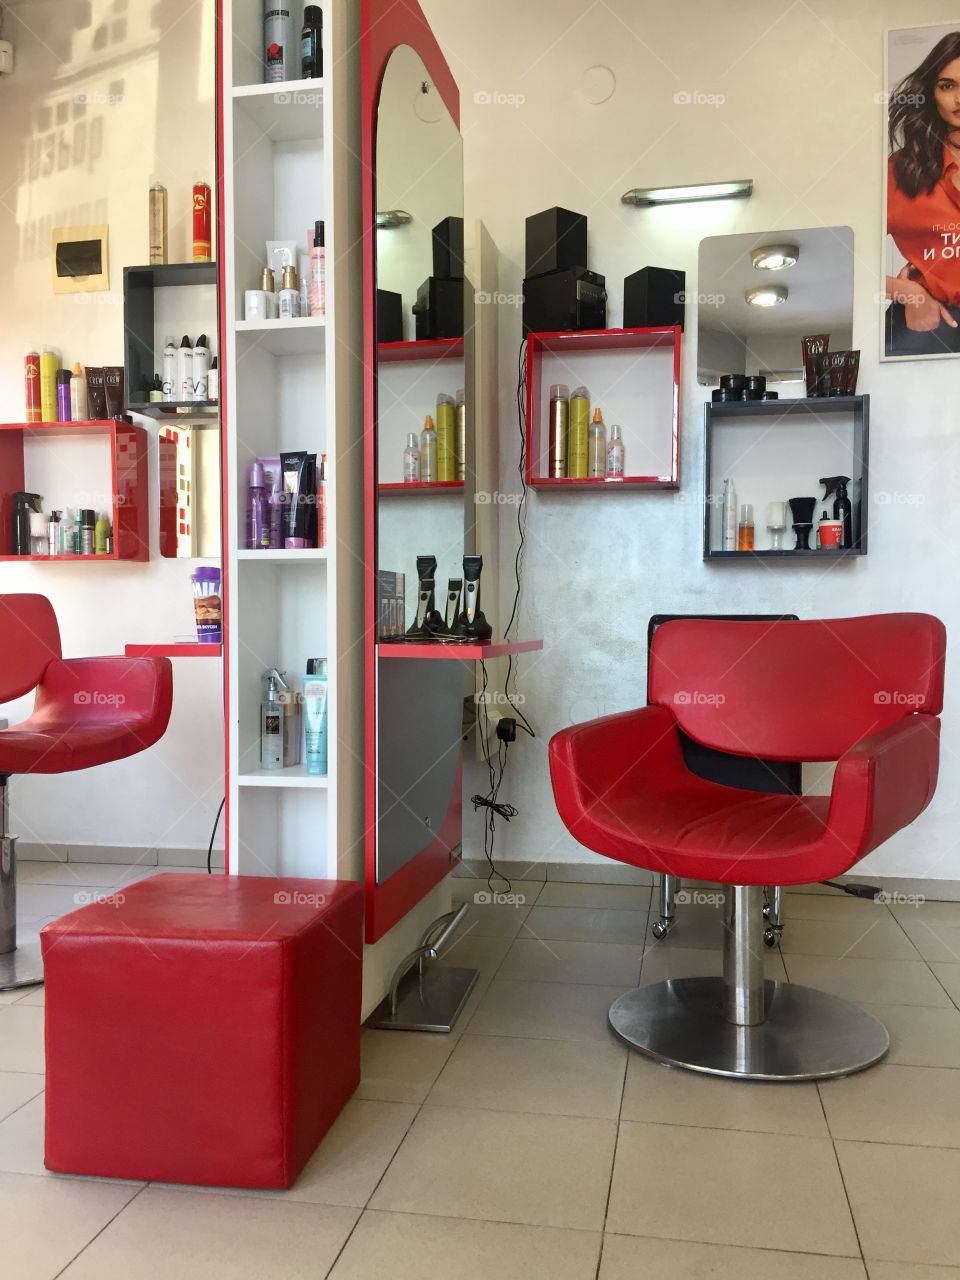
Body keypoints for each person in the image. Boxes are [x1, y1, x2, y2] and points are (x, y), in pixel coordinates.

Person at [886, 31, 960, 356]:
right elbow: (842, 259)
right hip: (928, 325)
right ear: (931, 93)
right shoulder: (901, 170)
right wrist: (904, 292)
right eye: (948, 85)